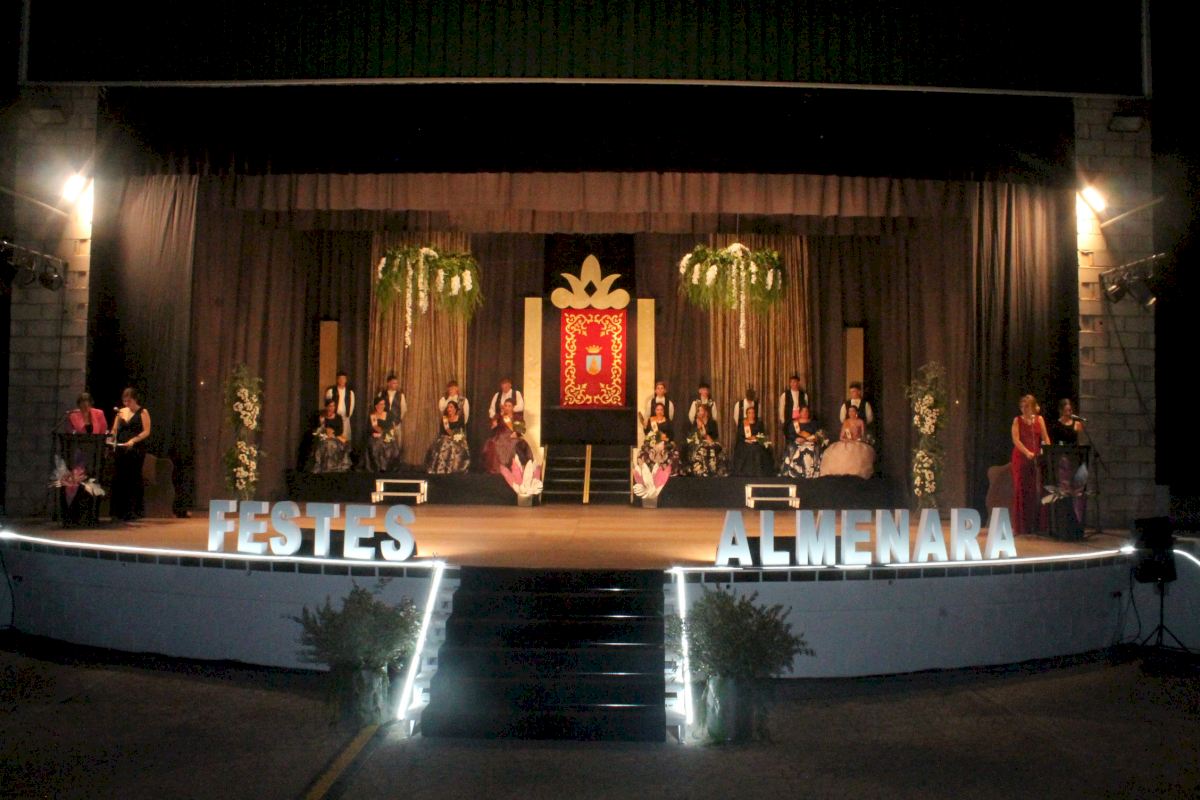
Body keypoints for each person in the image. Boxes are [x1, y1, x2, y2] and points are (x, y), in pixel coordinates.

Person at [1010, 394, 1051, 535]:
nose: (1024, 409)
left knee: (1036, 491)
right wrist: (1027, 452)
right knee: (1022, 490)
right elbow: (1016, 440)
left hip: (1036, 458)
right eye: (1022, 406)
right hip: (1021, 457)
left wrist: (1046, 450)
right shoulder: (1017, 420)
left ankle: (1037, 526)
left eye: (1027, 406)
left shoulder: (1039, 420)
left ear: (1034, 407)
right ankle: (1021, 527)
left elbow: (1045, 438)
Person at [110, 387, 151, 521]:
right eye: (125, 401)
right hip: (121, 448)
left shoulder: (143, 412)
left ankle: (132, 511)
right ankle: (118, 511)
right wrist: (111, 438)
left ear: (135, 399)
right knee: (119, 478)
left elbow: (146, 431)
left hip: (135, 449)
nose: (127, 404)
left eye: (129, 401)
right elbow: (114, 429)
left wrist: (133, 440)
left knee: (132, 478)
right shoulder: (121, 412)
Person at [820, 403, 876, 479]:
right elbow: (841, 437)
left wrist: (858, 440)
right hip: (846, 442)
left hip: (857, 443)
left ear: (856, 412)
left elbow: (863, 435)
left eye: (853, 411)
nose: (851, 413)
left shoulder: (860, 421)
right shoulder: (846, 422)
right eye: (849, 411)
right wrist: (847, 440)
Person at [482, 398, 533, 474]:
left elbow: (520, 430)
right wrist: (494, 424)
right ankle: (498, 469)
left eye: (509, 406)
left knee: (515, 445)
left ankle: (514, 468)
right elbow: (492, 427)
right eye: (506, 406)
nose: (507, 408)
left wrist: (516, 433)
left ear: (513, 407)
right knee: (493, 444)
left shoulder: (517, 417)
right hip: (500, 436)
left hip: (513, 437)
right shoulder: (499, 416)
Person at [426, 399, 471, 474]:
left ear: (455, 409)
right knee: (445, 444)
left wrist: (457, 437)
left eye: (451, 407)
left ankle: (455, 468)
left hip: (457, 438)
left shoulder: (460, 418)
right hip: (445, 438)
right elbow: (444, 430)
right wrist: (450, 436)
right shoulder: (445, 419)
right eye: (448, 407)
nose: (449, 409)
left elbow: (461, 430)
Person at [638, 401, 681, 474]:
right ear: (655, 411)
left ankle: (667, 471)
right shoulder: (651, 420)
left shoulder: (667, 421)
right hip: (653, 442)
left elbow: (671, 434)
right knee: (644, 451)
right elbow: (647, 433)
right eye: (657, 410)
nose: (659, 411)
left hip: (664, 442)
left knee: (672, 450)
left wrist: (665, 437)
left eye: (661, 410)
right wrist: (645, 427)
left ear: (663, 411)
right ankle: (649, 471)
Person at [685, 403, 727, 477]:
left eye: (701, 410)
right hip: (698, 444)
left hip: (710, 443)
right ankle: (700, 470)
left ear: (706, 412)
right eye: (698, 411)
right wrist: (698, 428)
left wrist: (705, 434)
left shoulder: (712, 423)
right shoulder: (696, 422)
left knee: (716, 449)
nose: (699, 412)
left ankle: (713, 469)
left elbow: (714, 437)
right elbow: (693, 435)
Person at [311, 398, 352, 473]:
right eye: (330, 406)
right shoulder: (322, 416)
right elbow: (318, 430)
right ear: (326, 407)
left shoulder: (338, 417)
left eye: (333, 406)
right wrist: (323, 426)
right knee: (326, 444)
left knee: (334, 444)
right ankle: (325, 467)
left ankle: (334, 467)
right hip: (324, 437)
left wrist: (333, 433)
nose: (332, 408)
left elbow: (340, 431)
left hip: (335, 437)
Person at [731, 405, 773, 477]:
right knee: (750, 449)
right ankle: (748, 472)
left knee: (759, 449)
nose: (751, 414)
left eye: (753, 413)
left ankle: (759, 472)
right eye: (749, 413)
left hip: (757, 442)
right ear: (746, 414)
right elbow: (740, 437)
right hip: (745, 443)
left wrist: (756, 438)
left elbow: (762, 435)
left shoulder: (759, 423)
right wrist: (746, 440)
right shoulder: (743, 424)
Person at [780, 406, 822, 478]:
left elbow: (816, 434)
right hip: (797, 443)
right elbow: (790, 434)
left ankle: (810, 472)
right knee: (794, 448)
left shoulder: (813, 423)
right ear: (799, 413)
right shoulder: (794, 424)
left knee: (813, 448)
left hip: (810, 443)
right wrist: (796, 438)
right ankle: (795, 471)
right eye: (803, 411)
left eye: (806, 411)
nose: (805, 413)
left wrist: (811, 438)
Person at [362, 396, 401, 473]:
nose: (382, 406)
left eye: (383, 404)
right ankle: (378, 467)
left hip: (388, 435)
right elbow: (372, 428)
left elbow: (392, 428)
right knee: (376, 445)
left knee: (389, 445)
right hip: (376, 436)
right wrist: (378, 433)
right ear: (376, 406)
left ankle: (388, 467)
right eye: (380, 404)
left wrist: (386, 435)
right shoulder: (373, 416)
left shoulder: (389, 415)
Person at [323, 371, 356, 444]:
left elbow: (352, 405)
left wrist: (348, 415)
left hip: (345, 418)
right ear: (337, 380)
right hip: (334, 418)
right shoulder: (331, 391)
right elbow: (328, 404)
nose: (342, 380)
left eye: (343, 379)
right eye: (340, 379)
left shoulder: (350, 392)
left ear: (346, 380)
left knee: (345, 439)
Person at [381, 373, 406, 448]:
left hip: (396, 424)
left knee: (397, 445)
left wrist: (398, 420)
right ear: (388, 383)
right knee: (387, 444)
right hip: (386, 425)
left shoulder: (400, 395)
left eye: (396, 383)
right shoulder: (382, 394)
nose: (396, 385)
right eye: (393, 383)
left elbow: (403, 409)